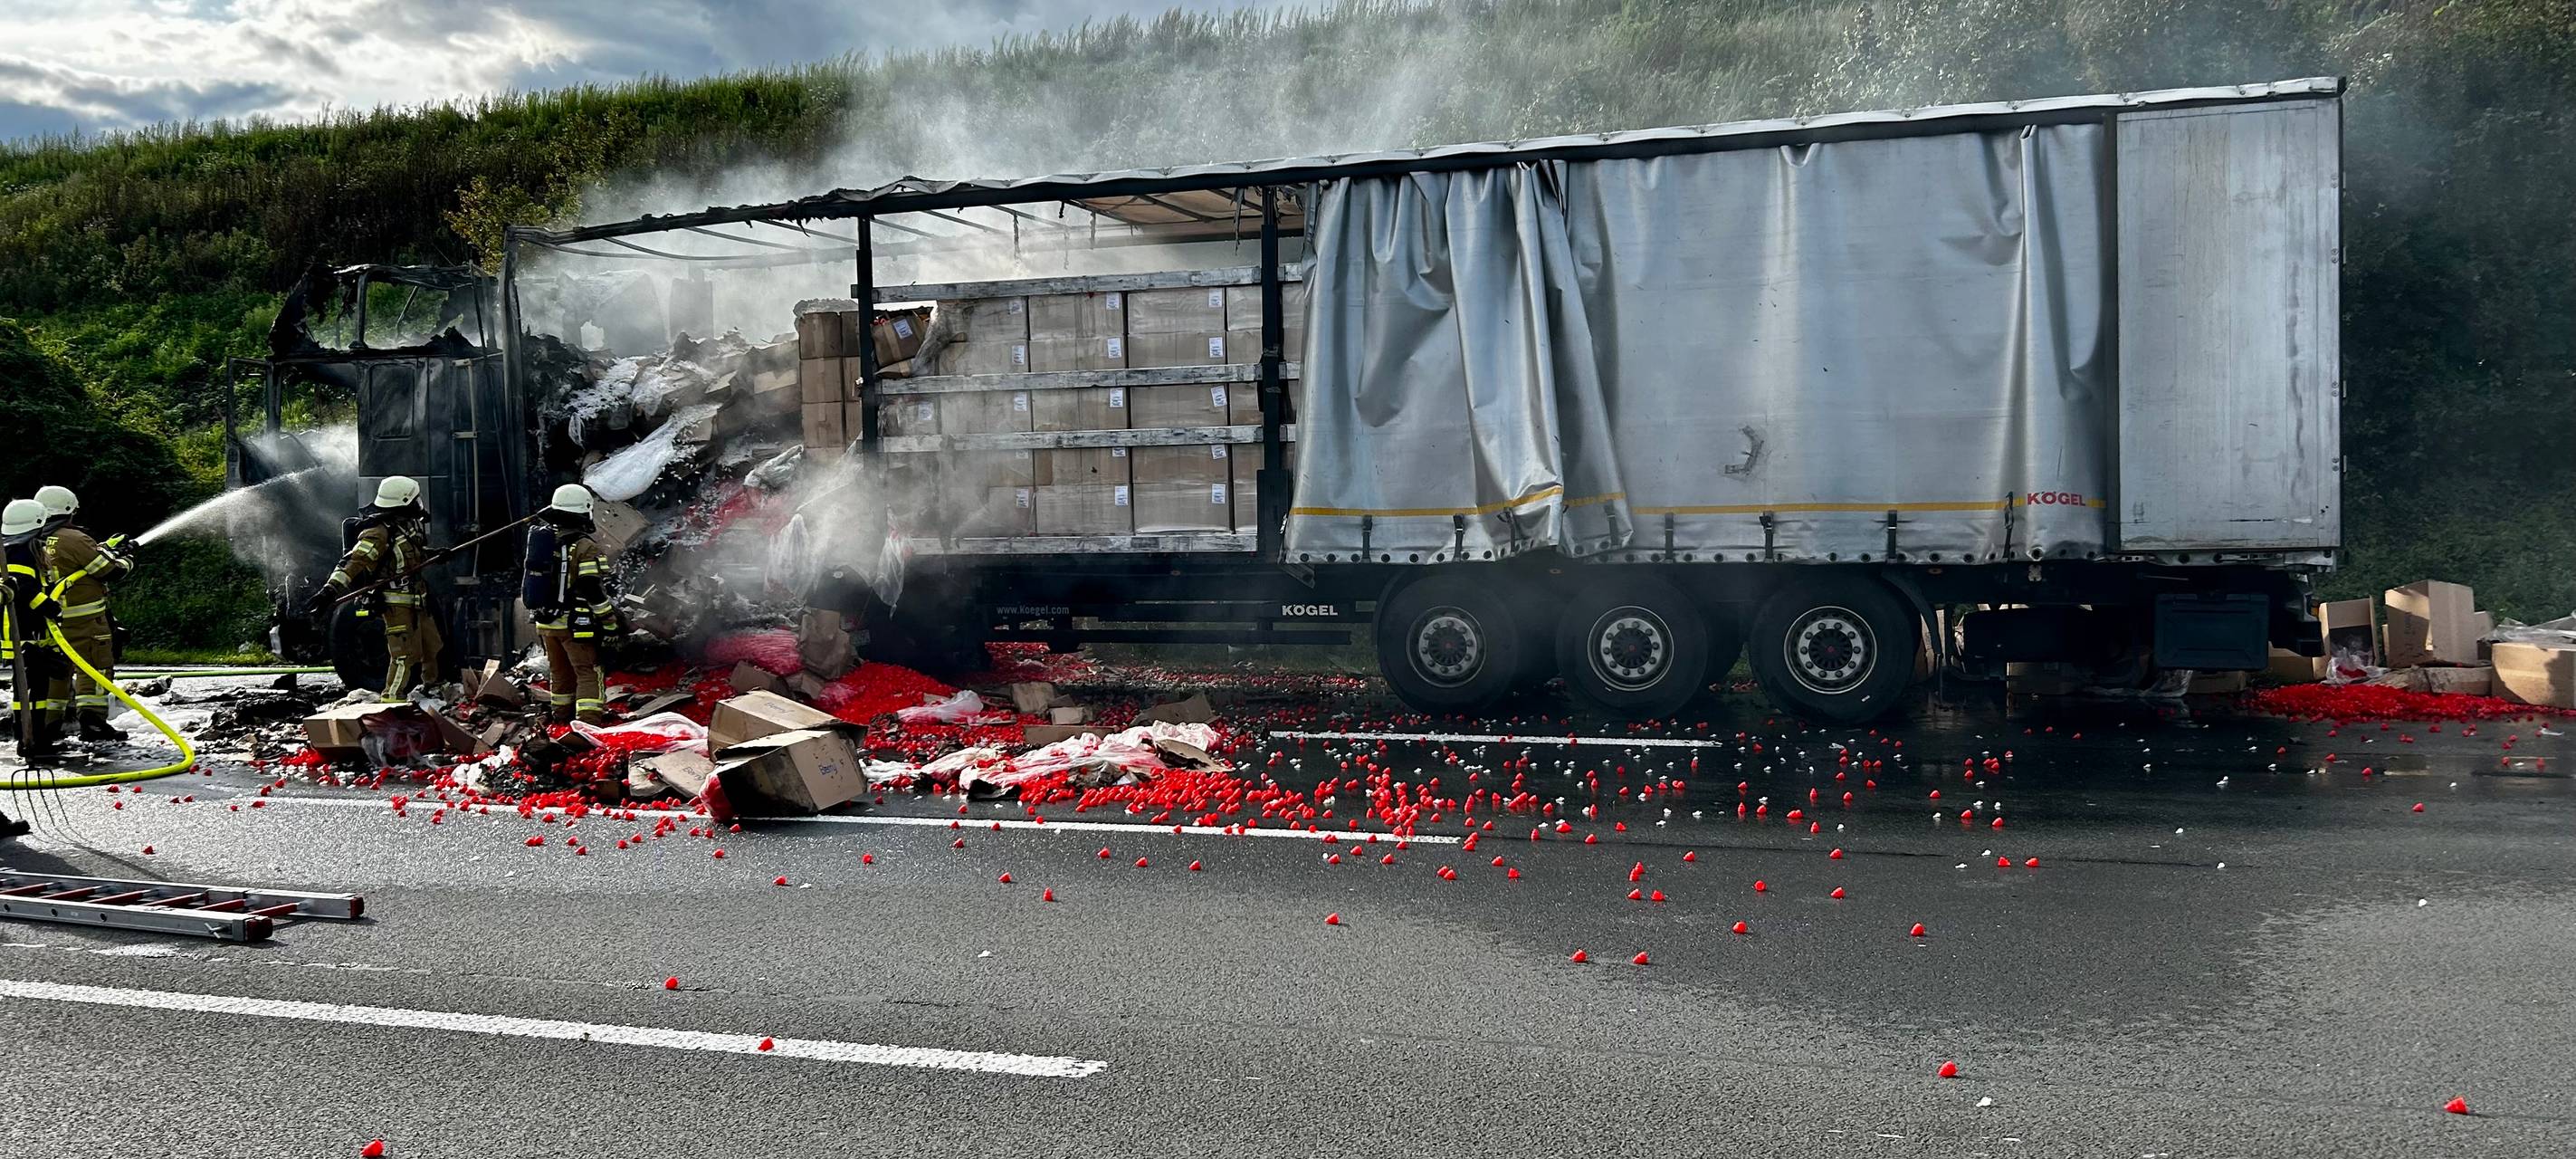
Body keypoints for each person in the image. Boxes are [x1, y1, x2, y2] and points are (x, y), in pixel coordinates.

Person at [310, 477, 443, 702]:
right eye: (415, 499)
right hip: (396, 604)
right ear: (404, 502)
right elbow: (354, 562)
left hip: (418, 601)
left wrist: (436, 555)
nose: (419, 503)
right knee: (403, 657)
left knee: (433, 647)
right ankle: (391, 702)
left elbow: (410, 558)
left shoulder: (408, 526)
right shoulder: (378, 533)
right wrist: (329, 591)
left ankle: (431, 691)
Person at [34, 485, 136, 742]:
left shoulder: (32, 540)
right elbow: (108, 570)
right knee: (94, 669)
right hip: (86, 622)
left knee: (57, 673)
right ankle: (93, 723)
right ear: (69, 511)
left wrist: (105, 547)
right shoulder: (75, 539)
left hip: (50, 623)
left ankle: (49, 726)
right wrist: (127, 560)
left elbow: (79, 560)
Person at [526, 484, 618, 724]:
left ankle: (561, 719)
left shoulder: (545, 542)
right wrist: (609, 621)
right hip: (575, 625)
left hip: (546, 623)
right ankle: (588, 724)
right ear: (584, 512)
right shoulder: (585, 546)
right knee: (588, 671)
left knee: (560, 673)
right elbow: (591, 587)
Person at [4, 497, 69, 772]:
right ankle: (30, 741)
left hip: (33, 634)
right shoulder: (18, 552)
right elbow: (25, 590)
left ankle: (37, 738)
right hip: (25, 635)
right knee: (28, 692)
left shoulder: (18, 548)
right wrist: (51, 607)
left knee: (35, 690)